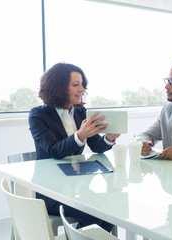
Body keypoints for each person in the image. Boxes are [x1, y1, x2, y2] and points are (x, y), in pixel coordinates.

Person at [28, 62, 120, 232]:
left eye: (82, 84)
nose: (82, 89)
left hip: (76, 186)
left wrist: (108, 139)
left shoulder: (80, 112)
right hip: (49, 190)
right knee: (97, 215)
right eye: (76, 84)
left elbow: (96, 146)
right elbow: (54, 150)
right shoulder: (38, 114)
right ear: (59, 87)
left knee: (110, 210)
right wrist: (80, 135)